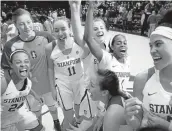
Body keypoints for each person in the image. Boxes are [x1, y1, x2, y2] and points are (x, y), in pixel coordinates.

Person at [1, 8, 61, 131]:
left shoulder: (46, 37)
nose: (26, 26)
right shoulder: (10, 45)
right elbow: (7, 71)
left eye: (28, 22)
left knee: (53, 108)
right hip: (30, 90)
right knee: (36, 115)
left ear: (32, 21)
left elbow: (59, 56)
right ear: (16, 25)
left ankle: (57, 123)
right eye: (21, 24)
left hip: (49, 85)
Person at [125, 9, 172, 131]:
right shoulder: (143, 79)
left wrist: (166, 125)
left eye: (158, 44)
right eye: (150, 45)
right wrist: (130, 118)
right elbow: (137, 123)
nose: (152, 51)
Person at [45, 16, 87, 131]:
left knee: (80, 115)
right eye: (56, 30)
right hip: (63, 84)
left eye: (63, 29)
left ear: (70, 29)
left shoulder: (78, 42)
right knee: (68, 115)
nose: (60, 33)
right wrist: (52, 89)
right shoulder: (50, 47)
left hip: (80, 82)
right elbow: (50, 69)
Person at [66, 69, 133, 131]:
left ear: (104, 92)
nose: (87, 87)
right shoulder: (117, 97)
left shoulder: (112, 113)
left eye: (92, 85)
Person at [1, 49, 44, 131]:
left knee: (41, 129)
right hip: (3, 119)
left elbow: (27, 88)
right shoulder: (4, 82)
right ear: (11, 65)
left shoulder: (27, 77)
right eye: (18, 62)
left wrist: (36, 96)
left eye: (26, 61)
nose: (23, 65)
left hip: (20, 113)